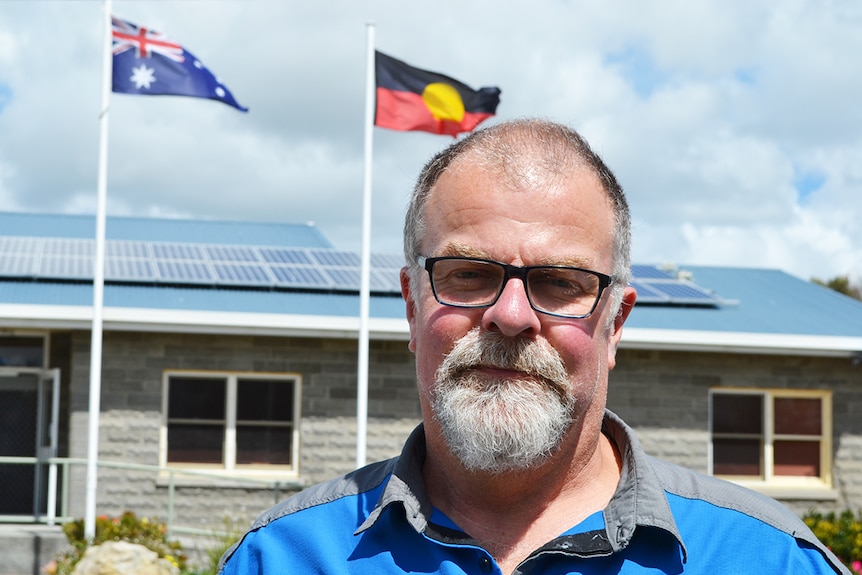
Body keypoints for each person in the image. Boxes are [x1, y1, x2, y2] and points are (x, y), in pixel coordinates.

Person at [218, 119, 850, 574]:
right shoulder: (281, 558)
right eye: (467, 273)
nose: (511, 315)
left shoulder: (767, 560)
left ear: (616, 325)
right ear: (412, 306)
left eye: (560, 282)